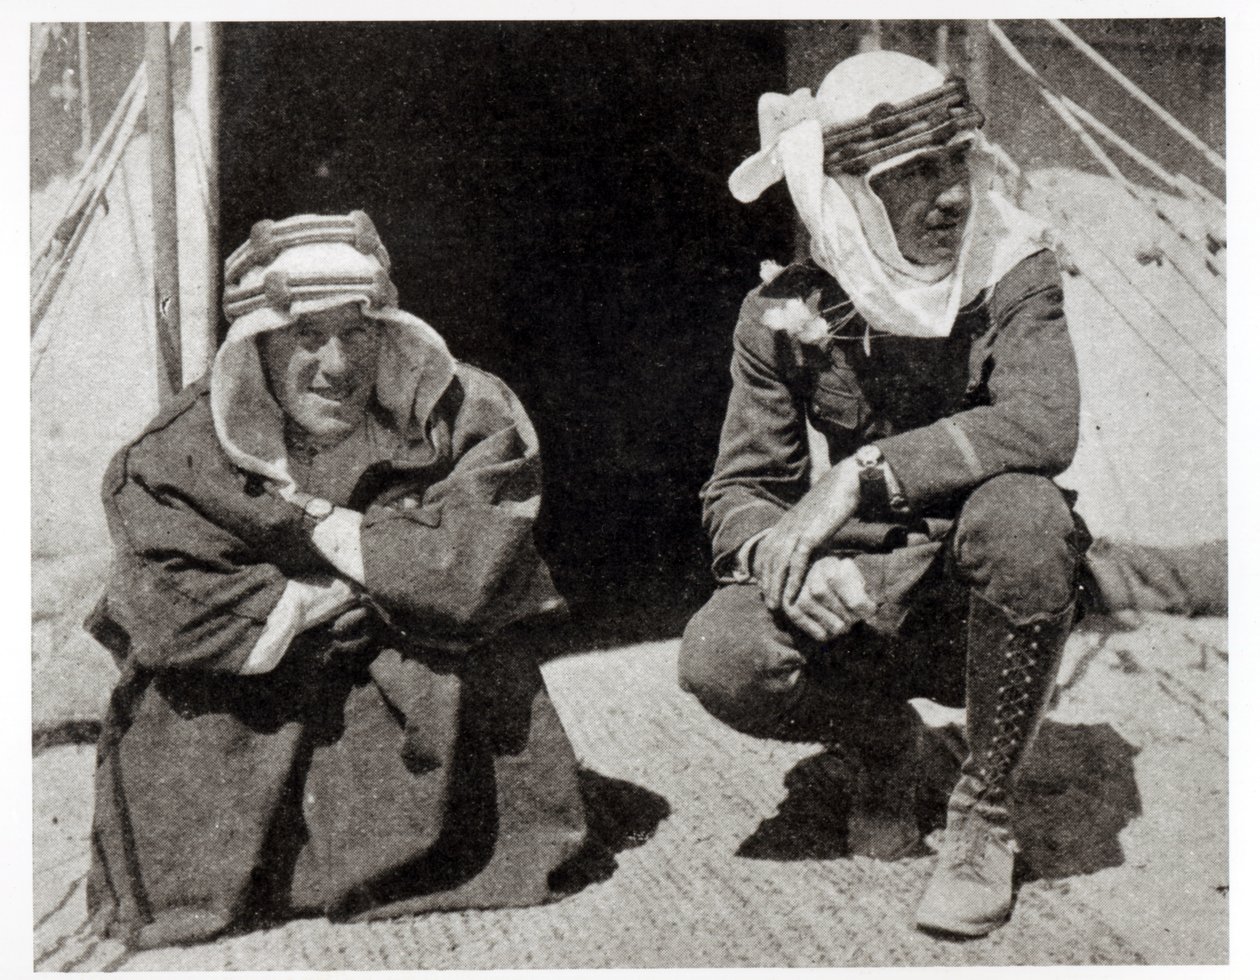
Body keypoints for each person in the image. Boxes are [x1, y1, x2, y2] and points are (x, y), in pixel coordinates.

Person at [85, 211, 596, 948]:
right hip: (264, 690)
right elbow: (169, 601)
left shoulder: (461, 412)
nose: (337, 365)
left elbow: (473, 561)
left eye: (357, 333)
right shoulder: (176, 453)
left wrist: (340, 546)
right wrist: (337, 591)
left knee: (471, 662)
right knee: (184, 711)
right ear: (257, 346)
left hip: (408, 661)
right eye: (306, 337)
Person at [678, 51, 1091, 937]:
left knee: (1026, 515)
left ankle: (982, 815)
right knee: (722, 655)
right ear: (849, 196)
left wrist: (861, 473)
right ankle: (884, 744)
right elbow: (742, 488)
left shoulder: (1014, 270)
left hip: (979, 592)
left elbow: (1043, 423)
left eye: (956, 161)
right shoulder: (784, 311)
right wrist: (785, 558)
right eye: (911, 174)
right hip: (864, 596)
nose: (951, 196)